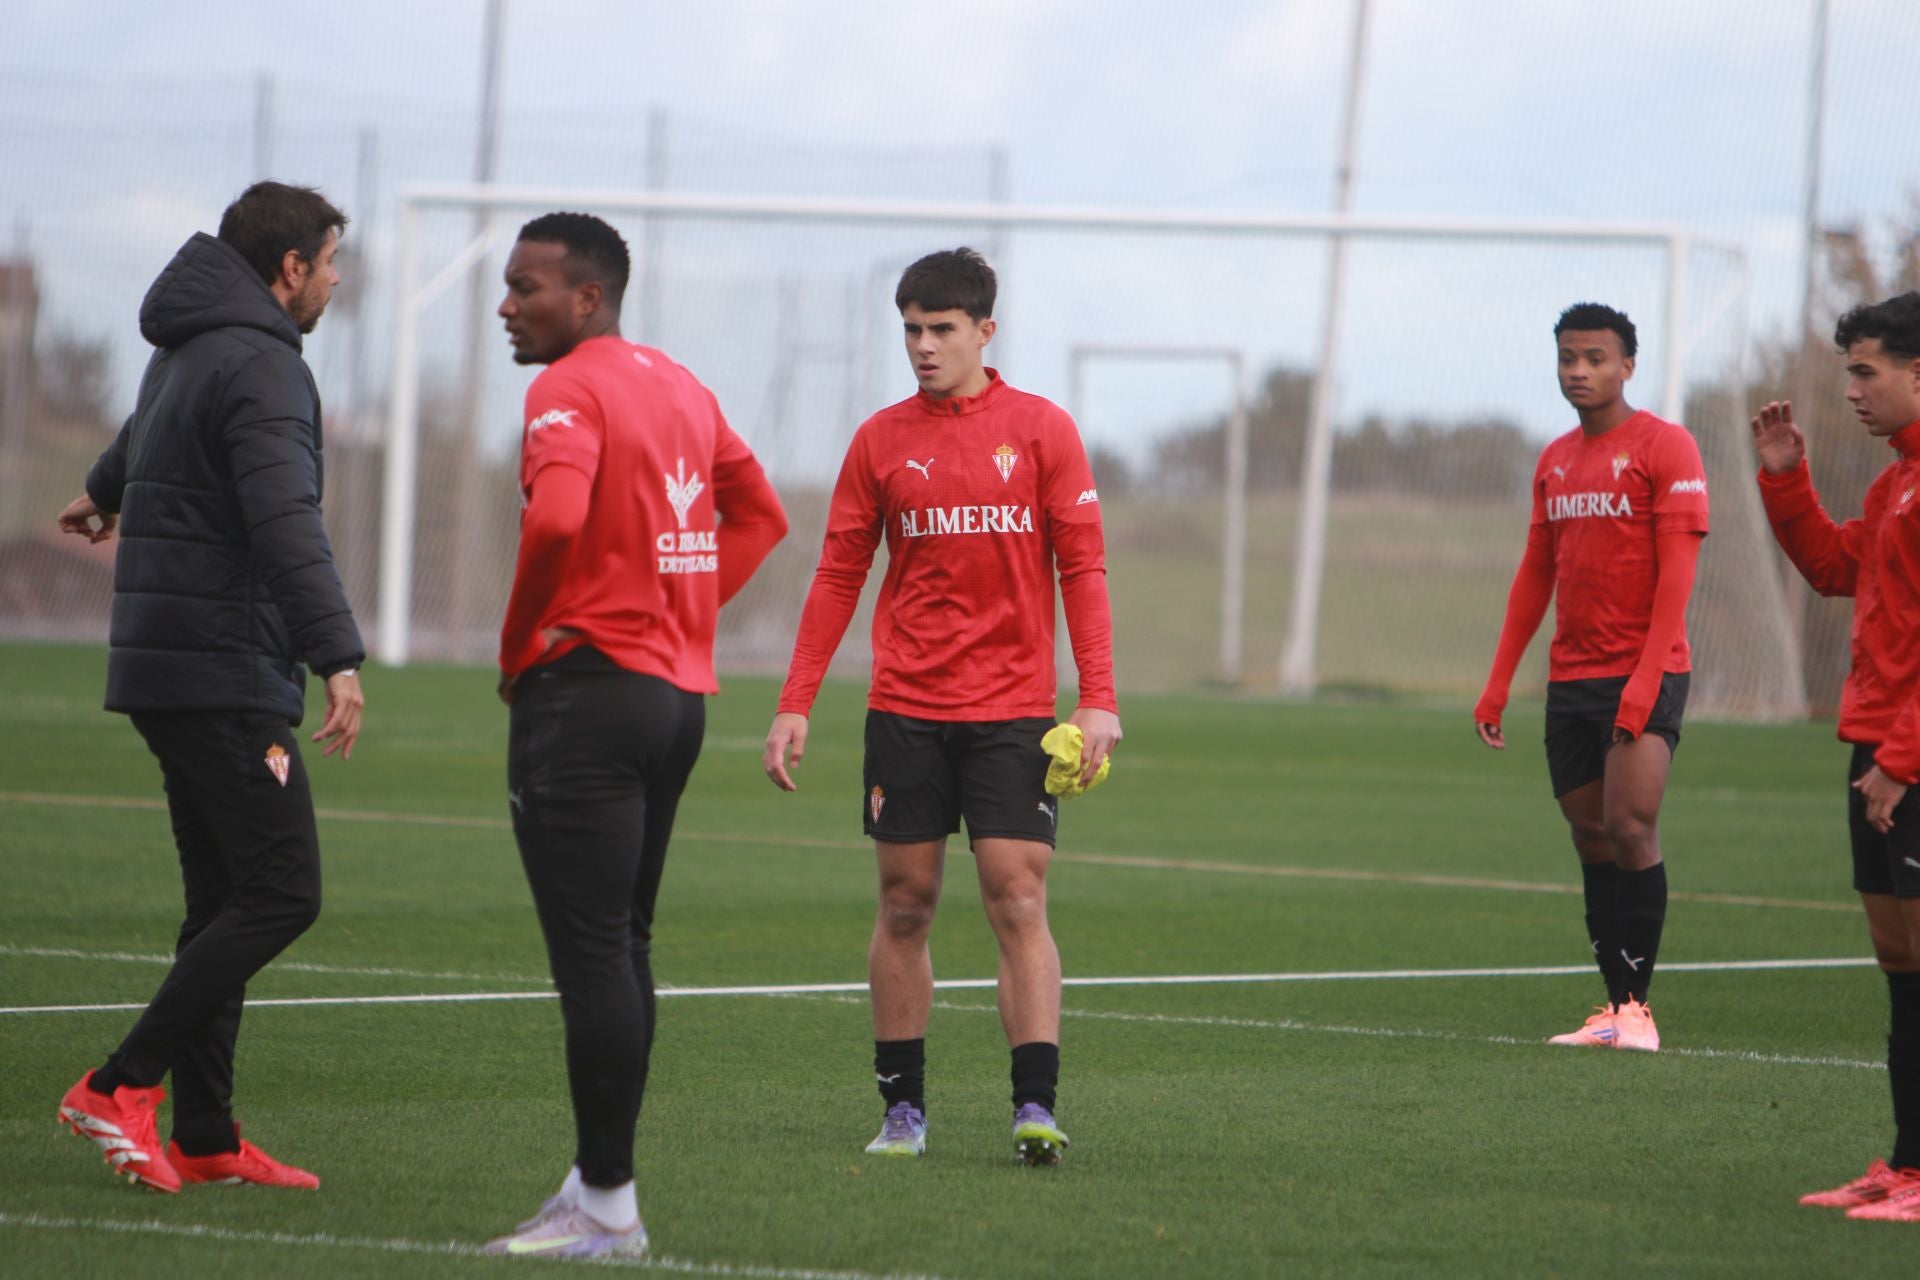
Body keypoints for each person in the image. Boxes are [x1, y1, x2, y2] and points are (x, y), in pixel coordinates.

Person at [762, 247, 1120, 1166]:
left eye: (941, 330)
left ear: (984, 332)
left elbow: (1082, 566)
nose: (922, 347)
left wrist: (1100, 700)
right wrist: (796, 699)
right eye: (911, 330)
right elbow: (840, 570)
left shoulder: (1042, 431)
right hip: (908, 710)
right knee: (907, 903)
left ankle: (1034, 1106)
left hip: (1012, 713)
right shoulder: (881, 440)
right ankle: (902, 1112)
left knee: (1017, 895)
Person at [484, 212, 788, 1259]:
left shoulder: (566, 387)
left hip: (589, 694)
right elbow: (760, 515)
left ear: (589, 298)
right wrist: (687, 609)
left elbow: (559, 519)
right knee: (625, 943)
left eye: (527, 287)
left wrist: (520, 644)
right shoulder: (680, 382)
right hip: (674, 699)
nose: (506, 305)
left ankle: (608, 1202)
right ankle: (599, 1185)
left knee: (593, 955)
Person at [53, 182, 365, 1193]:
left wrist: (103, 491)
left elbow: (148, 432)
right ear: (289, 269)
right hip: (222, 664)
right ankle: (118, 1083)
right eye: (328, 263)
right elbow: (286, 519)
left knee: (224, 896)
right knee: (285, 888)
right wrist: (337, 653)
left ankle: (208, 1132)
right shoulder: (265, 361)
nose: (334, 281)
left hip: (170, 658)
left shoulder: (191, 340)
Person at [1474, 301, 1709, 1053]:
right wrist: (1498, 681)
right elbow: (1535, 574)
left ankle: (1638, 1009)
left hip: (1644, 671)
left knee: (1631, 826)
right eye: (1568, 358)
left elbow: (1678, 577)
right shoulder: (1553, 460)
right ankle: (1612, 1008)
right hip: (1571, 679)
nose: (1579, 371)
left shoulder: (1665, 448)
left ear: (1628, 366)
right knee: (1590, 836)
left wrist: (1645, 683)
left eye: (1595, 359)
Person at [1753, 291, 1920, 1221]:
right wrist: (1784, 480)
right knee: (1899, 961)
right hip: (1876, 745)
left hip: (1907, 753)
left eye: (1865, 371)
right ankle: (1906, 1163)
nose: (1851, 389)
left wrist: (1903, 755)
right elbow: (1833, 569)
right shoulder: (1896, 481)